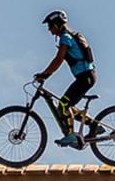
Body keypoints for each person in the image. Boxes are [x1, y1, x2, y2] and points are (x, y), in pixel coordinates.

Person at [35, 9, 96, 149]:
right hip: (87, 76)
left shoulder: (65, 37)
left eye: (50, 26)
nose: (49, 30)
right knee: (67, 106)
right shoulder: (68, 37)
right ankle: (95, 126)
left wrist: (45, 74)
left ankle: (70, 135)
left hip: (85, 77)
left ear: (56, 24)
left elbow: (58, 59)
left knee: (62, 105)